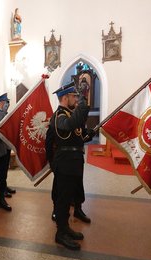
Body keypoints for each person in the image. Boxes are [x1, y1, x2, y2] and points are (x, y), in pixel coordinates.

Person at [48, 83, 93, 250]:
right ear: (65, 98)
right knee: (63, 199)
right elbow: (69, 125)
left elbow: (76, 134)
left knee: (68, 198)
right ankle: (60, 233)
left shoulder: (68, 113)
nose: (76, 99)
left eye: (76, 96)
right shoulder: (59, 115)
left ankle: (65, 228)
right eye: (74, 96)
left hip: (73, 160)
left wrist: (88, 136)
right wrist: (83, 103)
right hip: (65, 162)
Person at [0, 93, 16, 198]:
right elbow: (0, 125)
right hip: (1, 146)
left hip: (7, 145)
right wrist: (4, 111)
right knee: (1, 170)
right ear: (1, 103)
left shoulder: (4, 112)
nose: (7, 104)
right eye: (6, 102)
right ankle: (2, 189)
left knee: (5, 169)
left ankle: (4, 186)